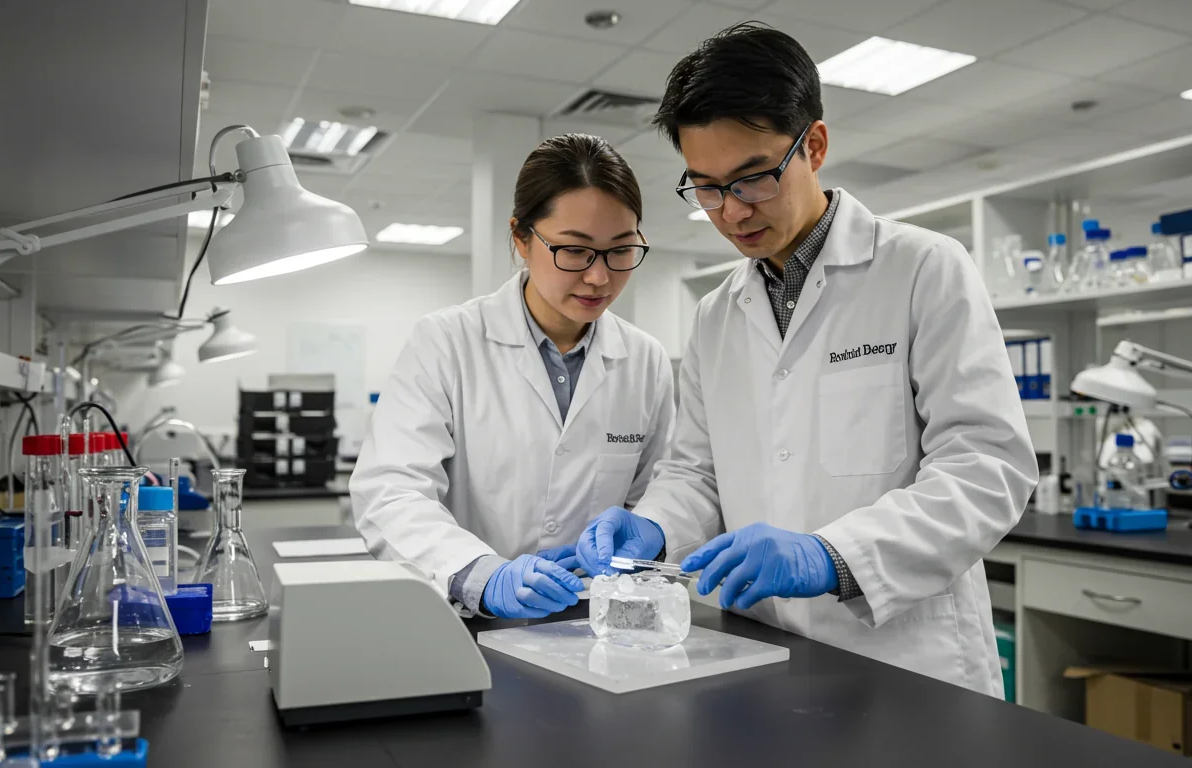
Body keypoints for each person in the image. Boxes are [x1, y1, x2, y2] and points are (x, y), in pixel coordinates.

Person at [575, 24, 1036, 697]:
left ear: (813, 145)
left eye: (752, 178)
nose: (731, 211)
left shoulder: (922, 269)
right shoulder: (714, 316)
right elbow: (698, 474)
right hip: (759, 650)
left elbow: (987, 468)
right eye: (705, 188)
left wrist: (832, 556)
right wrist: (653, 524)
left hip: (906, 661)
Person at [352, 133, 675, 620]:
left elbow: (661, 493)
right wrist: (479, 574)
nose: (599, 278)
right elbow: (391, 490)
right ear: (521, 238)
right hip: (470, 620)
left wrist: (643, 535)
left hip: (598, 620)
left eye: (620, 250)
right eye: (574, 250)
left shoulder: (644, 360)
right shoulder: (447, 340)